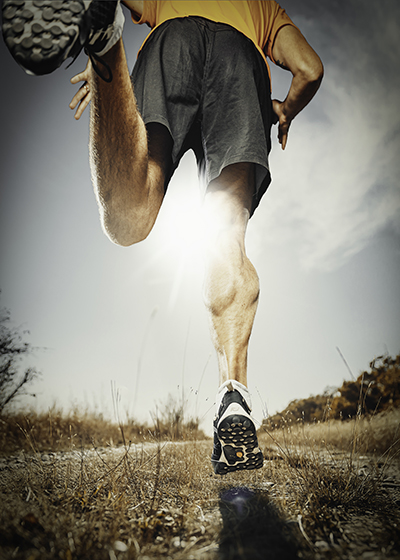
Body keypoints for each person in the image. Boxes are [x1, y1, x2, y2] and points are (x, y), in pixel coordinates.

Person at [2, 0, 323, 474]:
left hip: (169, 41)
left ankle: (106, 48)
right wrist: (283, 109)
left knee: (130, 216)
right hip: (242, 58)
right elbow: (310, 70)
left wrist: (117, 93)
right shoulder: (264, 8)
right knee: (226, 236)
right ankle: (233, 396)